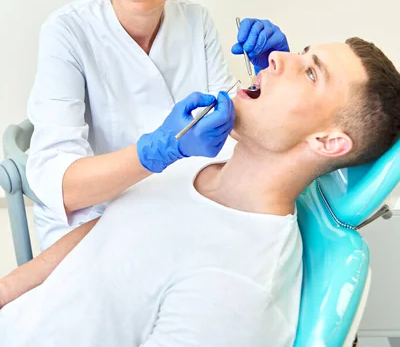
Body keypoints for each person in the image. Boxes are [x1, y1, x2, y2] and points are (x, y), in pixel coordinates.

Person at [1, 36, 400, 347]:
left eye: (311, 72)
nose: (278, 58)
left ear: (329, 142)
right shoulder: (197, 164)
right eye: (301, 52)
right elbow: (101, 235)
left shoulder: (239, 291)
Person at [26, 0, 289, 250]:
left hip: (180, 213)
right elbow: (60, 186)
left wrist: (267, 76)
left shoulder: (196, 22)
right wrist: (157, 151)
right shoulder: (67, 32)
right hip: (93, 230)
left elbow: (239, 129)